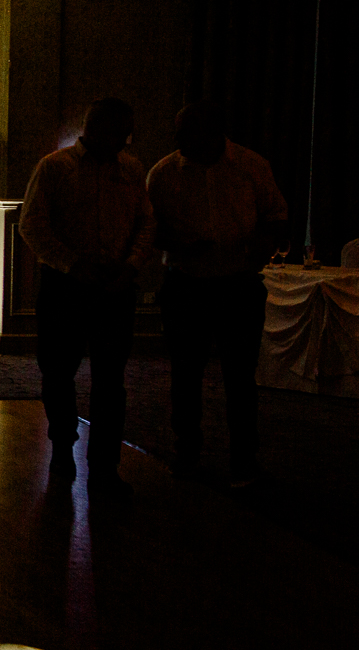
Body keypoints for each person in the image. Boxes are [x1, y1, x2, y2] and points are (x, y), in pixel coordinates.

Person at [146, 102, 288, 488]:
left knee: (240, 376)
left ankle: (243, 459)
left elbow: (276, 216)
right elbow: (146, 229)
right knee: (185, 374)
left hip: (236, 283)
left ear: (211, 133)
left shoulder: (250, 166)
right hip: (186, 282)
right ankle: (188, 452)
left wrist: (258, 248)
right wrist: (180, 244)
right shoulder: (163, 173)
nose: (176, 140)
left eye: (184, 132)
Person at [19, 98, 155, 495]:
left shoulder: (132, 170)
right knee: (58, 373)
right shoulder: (55, 168)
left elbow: (146, 222)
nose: (125, 140)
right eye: (119, 132)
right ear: (93, 128)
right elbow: (32, 224)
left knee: (111, 381)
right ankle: (63, 447)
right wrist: (73, 265)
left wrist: (130, 266)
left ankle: (105, 465)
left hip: (115, 286)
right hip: (66, 287)